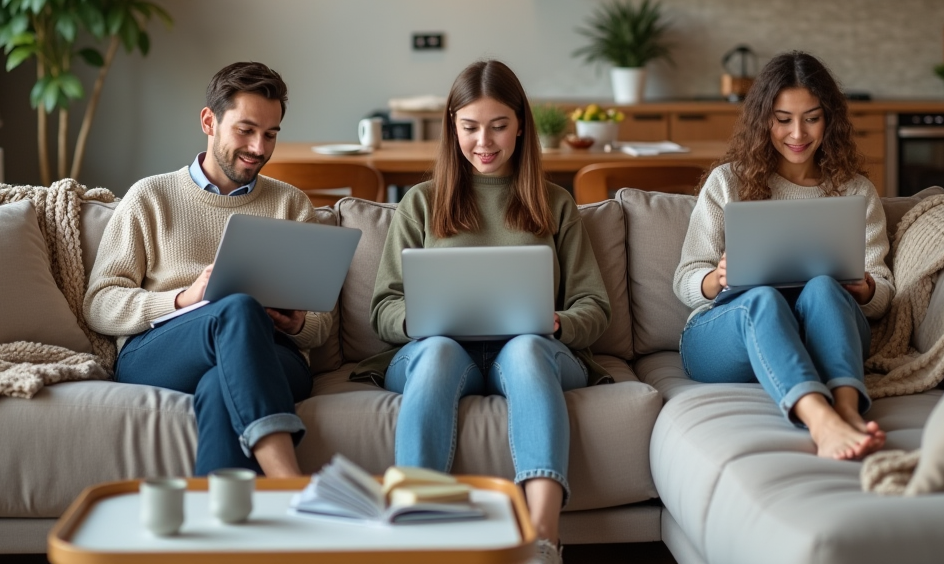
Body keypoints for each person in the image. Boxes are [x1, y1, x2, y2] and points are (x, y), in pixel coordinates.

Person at [352, 60, 611, 564]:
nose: (484, 142)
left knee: (528, 349)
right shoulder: (421, 203)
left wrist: (558, 322)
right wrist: (418, 319)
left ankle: (542, 538)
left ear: (520, 126)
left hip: (534, 352)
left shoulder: (554, 204)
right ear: (452, 126)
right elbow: (382, 306)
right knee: (439, 353)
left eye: (498, 126)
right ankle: (420, 534)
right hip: (444, 354)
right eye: (470, 127)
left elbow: (594, 307)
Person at [84, 61, 331, 477]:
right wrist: (185, 299)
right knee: (236, 307)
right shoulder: (150, 196)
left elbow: (324, 323)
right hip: (164, 350)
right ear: (209, 121)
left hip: (274, 354)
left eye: (270, 135)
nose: (259, 147)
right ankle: (290, 482)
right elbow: (100, 303)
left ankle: (223, 533)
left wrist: (296, 322)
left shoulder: (291, 205)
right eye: (246, 130)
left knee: (222, 385)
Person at [674, 51, 894, 461]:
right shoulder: (728, 182)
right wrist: (717, 278)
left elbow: (882, 293)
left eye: (811, 117)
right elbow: (686, 279)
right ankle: (821, 421)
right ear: (764, 120)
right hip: (727, 339)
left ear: (829, 120)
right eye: (783, 119)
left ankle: (846, 407)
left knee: (825, 288)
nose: (798, 133)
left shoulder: (855, 190)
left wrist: (864, 288)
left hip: (822, 337)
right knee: (762, 298)